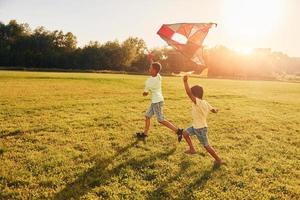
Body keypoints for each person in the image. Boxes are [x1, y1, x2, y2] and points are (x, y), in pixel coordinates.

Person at [182, 75, 224, 165]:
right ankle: (192, 149)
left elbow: (188, 93)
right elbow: (213, 110)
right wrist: (216, 110)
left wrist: (185, 82)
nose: (191, 97)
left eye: (192, 94)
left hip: (200, 129)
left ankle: (218, 160)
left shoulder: (198, 102)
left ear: (195, 95)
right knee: (185, 133)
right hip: (195, 126)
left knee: (206, 146)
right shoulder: (204, 102)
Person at [136, 62, 183, 141]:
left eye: (150, 68)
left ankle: (178, 131)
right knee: (147, 116)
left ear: (154, 70)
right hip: (157, 100)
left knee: (160, 120)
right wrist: (152, 60)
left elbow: (145, 93)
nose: (149, 69)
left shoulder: (149, 81)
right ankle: (145, 134)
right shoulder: (159, 77)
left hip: (156, 102)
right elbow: (157, 68)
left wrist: (145, 93)